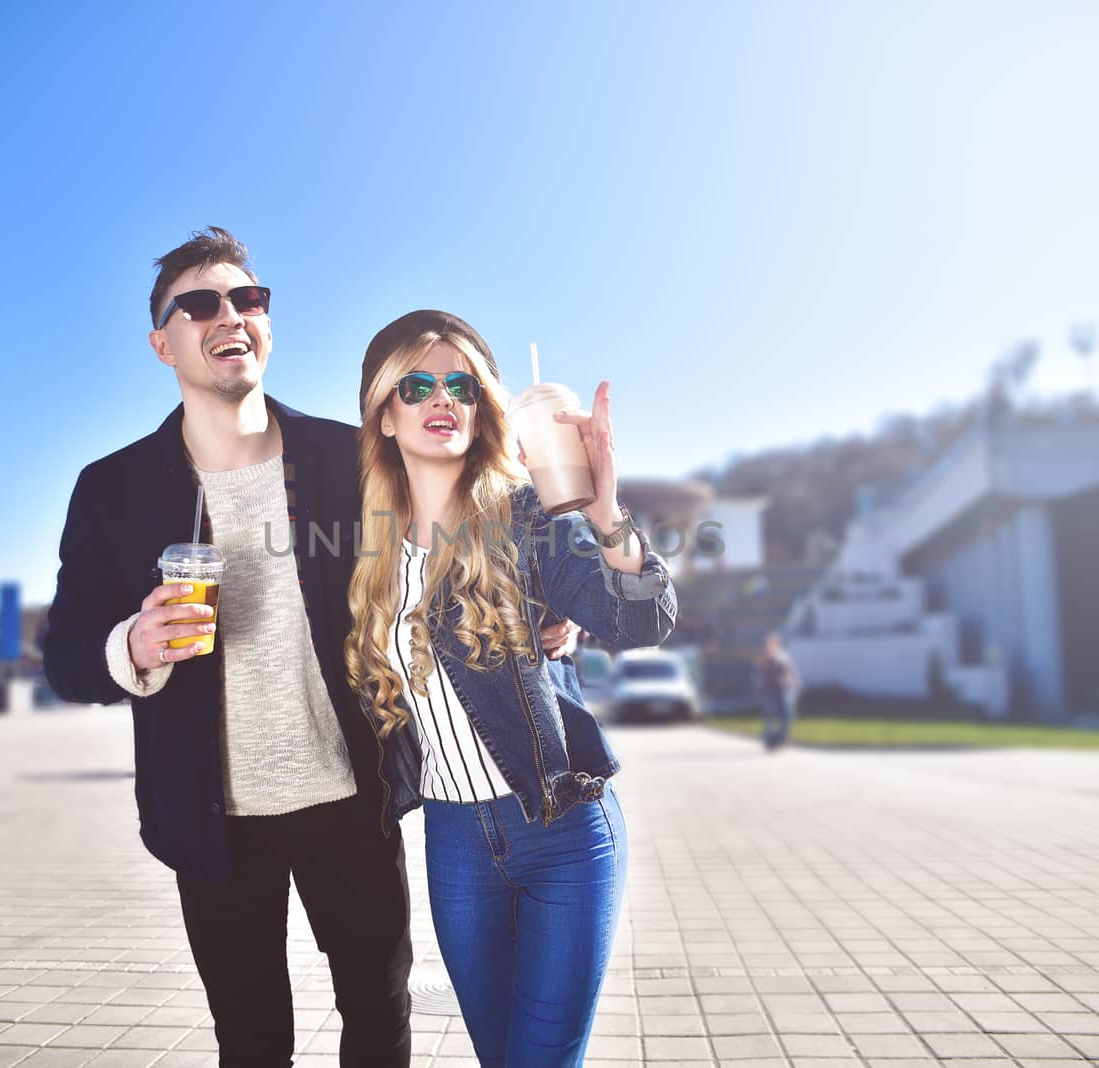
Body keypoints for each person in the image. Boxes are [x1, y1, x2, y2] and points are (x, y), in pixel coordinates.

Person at [42, 229, 576, 1067]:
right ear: (163, 342)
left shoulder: (349, 456)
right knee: (251, 1042)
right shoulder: (112, 488)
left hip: (349, 799)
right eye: (202, 304)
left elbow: (456, 528)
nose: (232, 315)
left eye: (249, 299)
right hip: (210, 821)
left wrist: (548, 598)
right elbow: (66, 655)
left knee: (379, 1017)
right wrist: (133, 645)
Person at [345, 310, 678, 1067]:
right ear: (385, 416)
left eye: (460, 384)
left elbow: (643, 621)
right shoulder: (363, 551)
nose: (442, 397)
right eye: (416, 383)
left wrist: (605, 513)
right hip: (454, 843)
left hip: (561, 826)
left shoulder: (528, 516)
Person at [754, 632, 801, 751]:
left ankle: (780, 740)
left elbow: (790, 670)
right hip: (769, 690)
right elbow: (760, 666)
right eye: (769, 642)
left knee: (787, 716)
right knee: (769, 718)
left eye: (774, 642)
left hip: (784, 689)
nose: (771, 644)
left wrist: (795, 682)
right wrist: (768, 656)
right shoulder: (763, 655)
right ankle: (769, 742)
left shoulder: (784, 655)